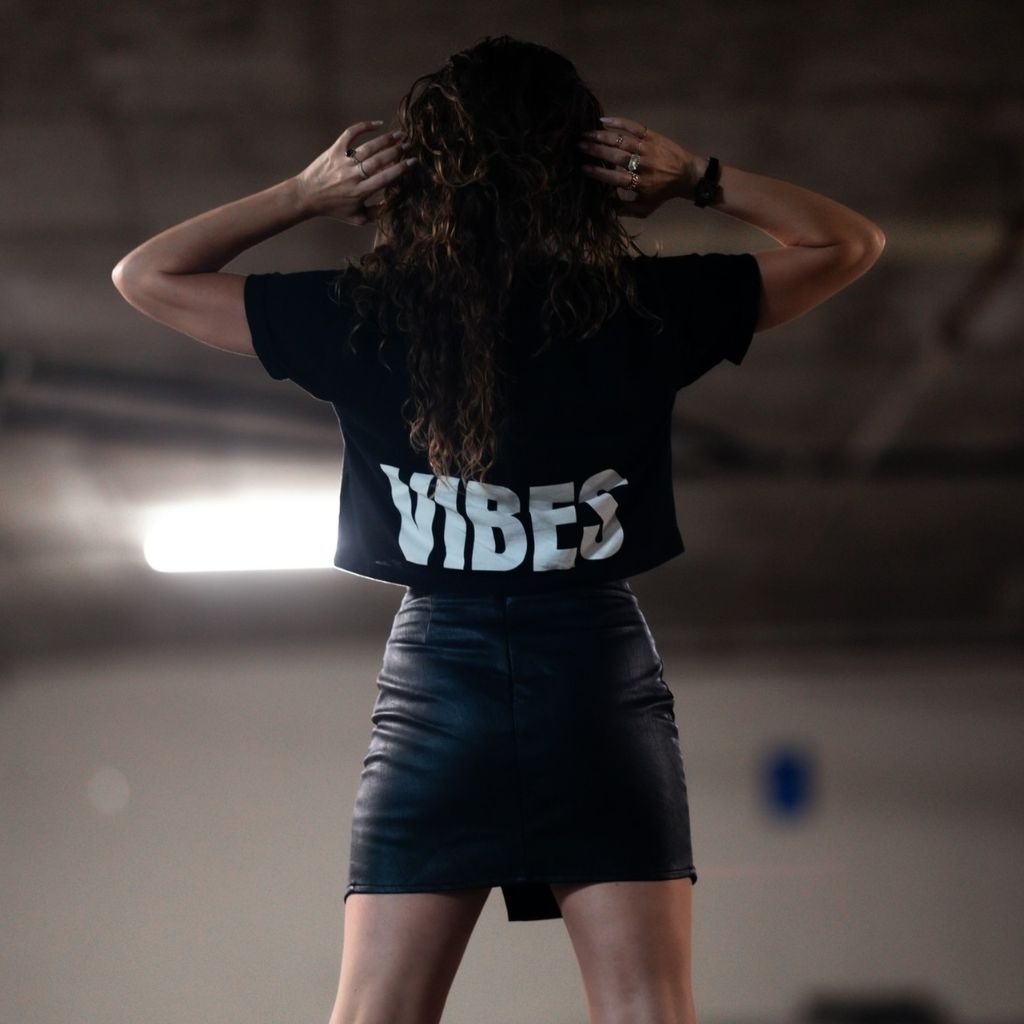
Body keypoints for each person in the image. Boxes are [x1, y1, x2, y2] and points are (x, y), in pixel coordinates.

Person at [111, 33, 884, 1024]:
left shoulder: (363, 315)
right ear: (585, 174)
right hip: (595, 676)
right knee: (646, 1009)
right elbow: (847, 244)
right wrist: (698, 177)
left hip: (440, 683)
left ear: (420, 175)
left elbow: (147, 276)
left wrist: (302, 195)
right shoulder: (640, 307)